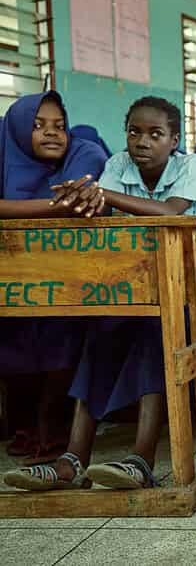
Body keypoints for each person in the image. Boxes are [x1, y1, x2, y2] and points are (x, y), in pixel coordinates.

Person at [4, 96, 196, 491]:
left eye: (155, 134)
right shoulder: (117, 165)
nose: (142, 142)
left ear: (174, 139)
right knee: (100, 331)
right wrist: (86, 198)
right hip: (141, 275)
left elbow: (170, 213)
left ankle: (141, 459)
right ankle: (71, 459)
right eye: (134, 132)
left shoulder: (192, 166)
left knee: (156, 331)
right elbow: (104, 220)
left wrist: (103, 195)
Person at [0, 93, 108, 464]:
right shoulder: (3, 154)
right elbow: (68, 203)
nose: (52, 133)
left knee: (64, 332)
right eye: (39, 125)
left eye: (60, 126)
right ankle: (23, 428)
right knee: (13, 336)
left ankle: (52, 430)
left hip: (68, 279)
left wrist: (71, 200)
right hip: (12, 280)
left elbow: (87, 182)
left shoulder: (83, 153)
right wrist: (56, 206)